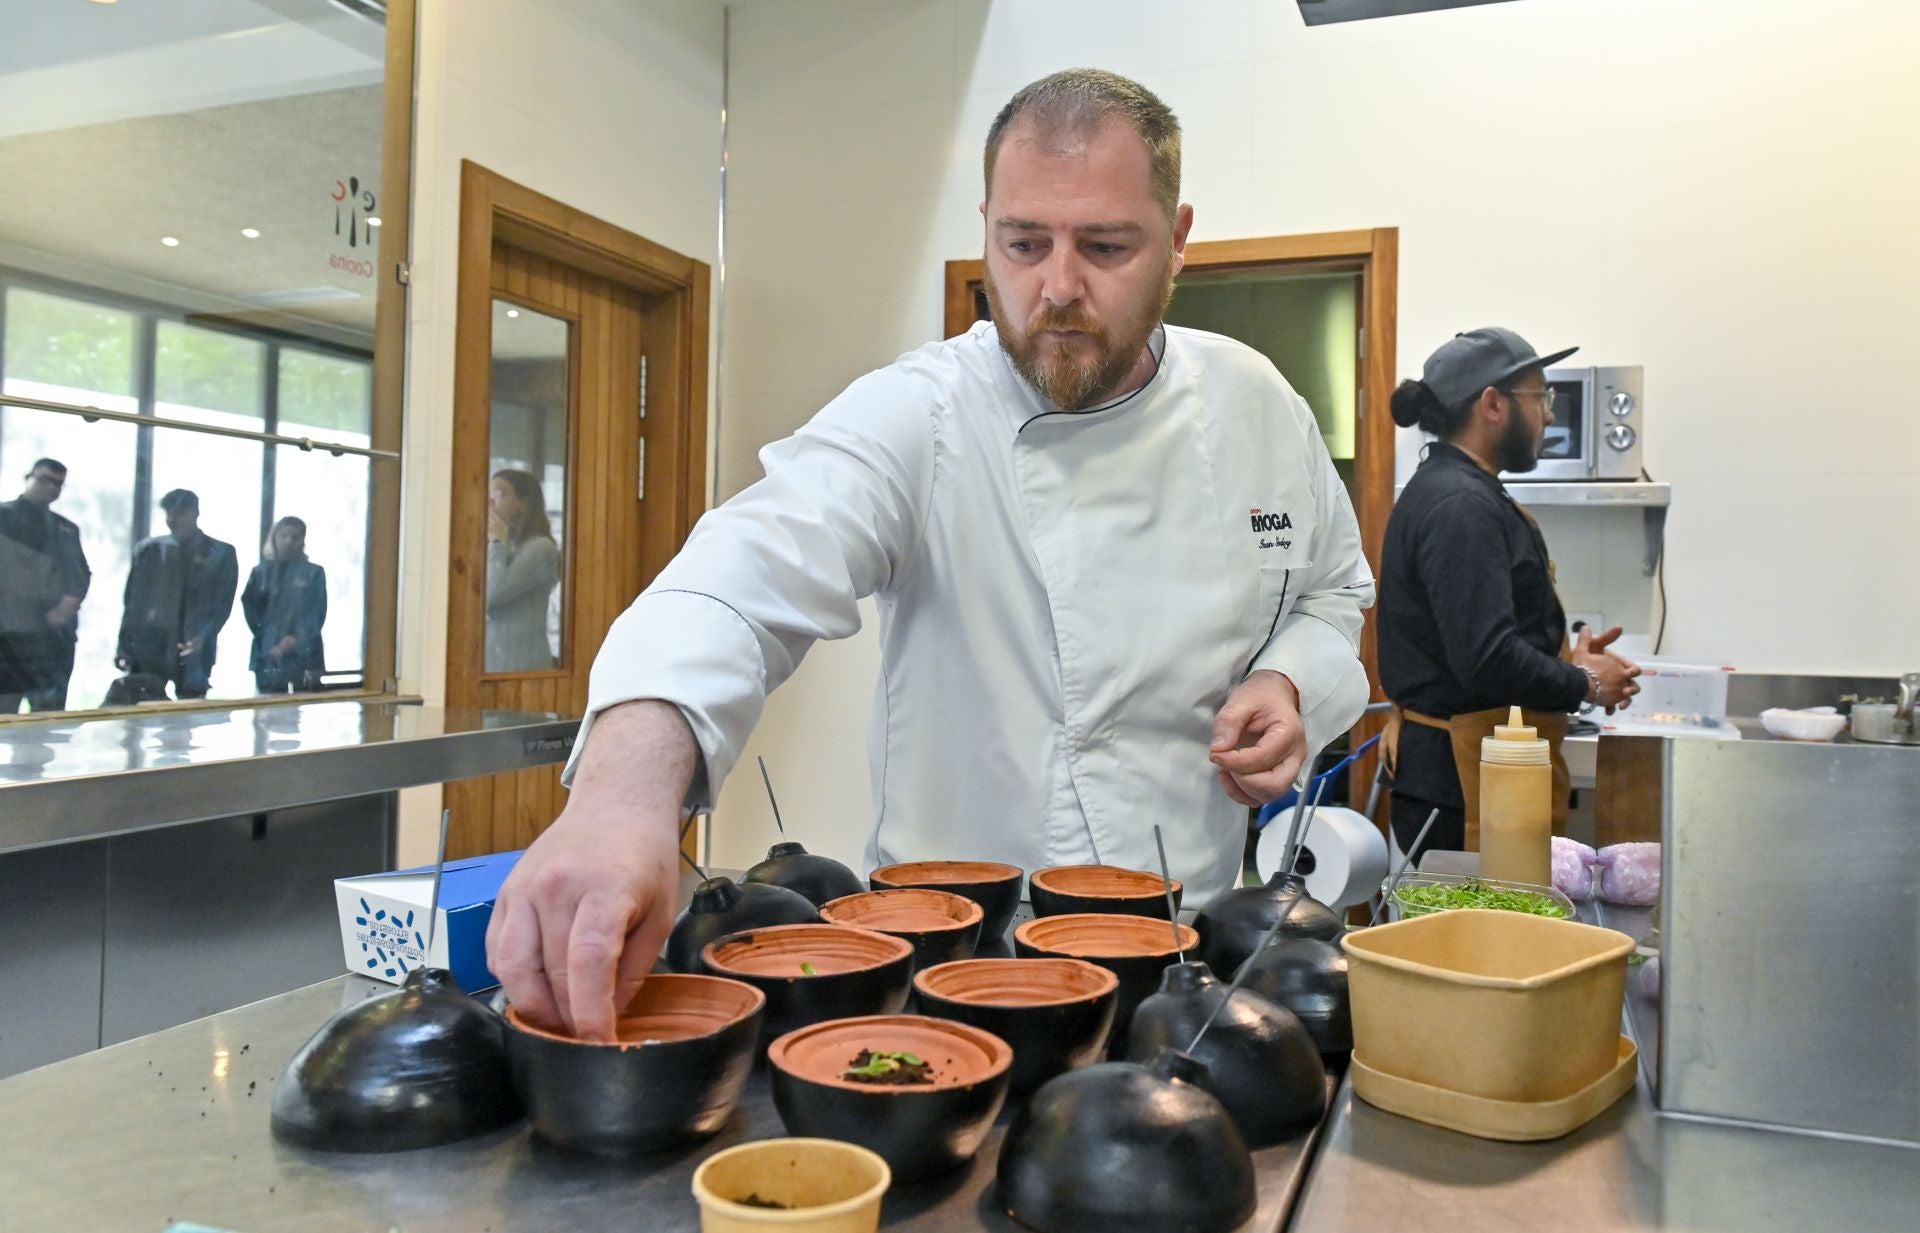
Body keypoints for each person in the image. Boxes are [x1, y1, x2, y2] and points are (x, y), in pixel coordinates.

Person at [489, 68, 1375, 1041]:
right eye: (1023, 244)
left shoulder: (1257, 406)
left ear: (1178, 241)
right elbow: (746, 572)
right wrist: (625, 793)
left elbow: (1332, 595)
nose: (1059, 287)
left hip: (1180, 952)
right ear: (987, 227)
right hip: (952, 961)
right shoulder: (926, 413)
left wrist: (1290, 683)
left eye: (1107, 246)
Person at [1378, 328, 1642, 862]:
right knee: (1470, 941)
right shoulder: (1460, 506)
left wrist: (1561, 657)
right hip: (1463, 785)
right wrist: (1586, 682)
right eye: (1540, 397)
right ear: (1492, 404)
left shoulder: (1464, 491)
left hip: (1474, 770)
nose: (1548, 415)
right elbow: (1486, 658)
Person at [116, 489, 238, 701]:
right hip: (148, 646)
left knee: (189, 714)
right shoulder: (148, 550)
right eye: (169, 513)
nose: (173, 519)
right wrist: (124, 645)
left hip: (193, 647)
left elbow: (222, 604)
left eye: (180, 513)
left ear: (195, 513)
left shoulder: (221, 553)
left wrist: (204, 636)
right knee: (140, 715)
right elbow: (133, 603)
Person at [0, 458, 90, 712]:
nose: (51, 488)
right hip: (6, 638)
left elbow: (80, 576)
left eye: (58, 484)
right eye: (45, 480)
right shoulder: (2, 517)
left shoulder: (65, 529)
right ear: (28, 477)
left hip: (49, 642)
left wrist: (65, 608)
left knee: (47, 722)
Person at [485, 468, 560, 672]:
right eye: (489, 494)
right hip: (491, 668)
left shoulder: (541, 548)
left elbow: (495, 591)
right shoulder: (503, 547)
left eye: (500, 494)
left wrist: (496, 541)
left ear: (524, 503)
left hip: (524, 669)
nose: (491, 502)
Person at [241, 516, 328, 694]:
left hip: (305, 653)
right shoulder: (260, 573)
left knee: (305, 708)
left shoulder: (314, 573)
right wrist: (269, 642)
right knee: (268, 710)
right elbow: (251, 610)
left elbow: (316, 613)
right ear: (274, 537)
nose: (289, 541)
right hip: (268, 653)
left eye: (295, 537)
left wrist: (295, 639)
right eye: (284, 535)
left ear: (302, 540)